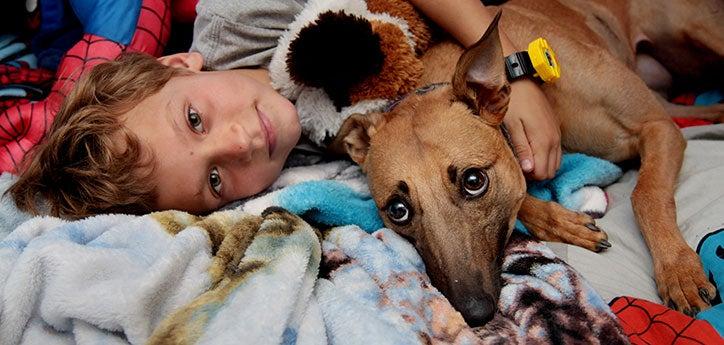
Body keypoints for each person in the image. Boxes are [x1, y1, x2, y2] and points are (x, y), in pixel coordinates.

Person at [8, 0, 561, 218]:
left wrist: (517, 71)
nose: (240, 143)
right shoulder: (300, 161)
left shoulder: (242, 14)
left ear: (179, 67)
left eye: (195, 119)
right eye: (216, 179)